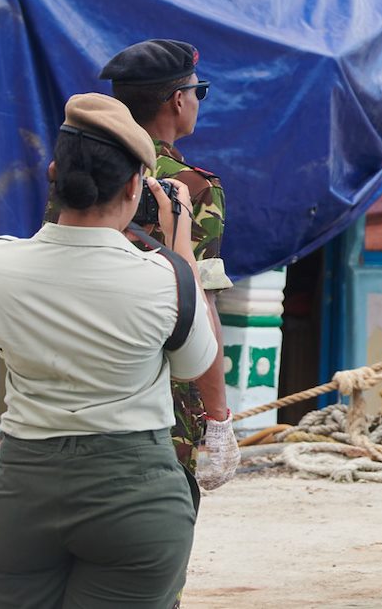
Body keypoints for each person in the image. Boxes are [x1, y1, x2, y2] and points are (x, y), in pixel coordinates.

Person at [0, 95, 225, 607]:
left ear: (54, 173)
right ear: (136, 185)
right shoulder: (164, 282)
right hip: (134, 498)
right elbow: (196, 362)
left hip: (21, 497)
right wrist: (179, 249)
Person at [99, 39, 233, 501]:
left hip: (85, 374)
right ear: (179, 100)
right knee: (158, 529)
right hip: (163, 396)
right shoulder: (194, 187)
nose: (197, 102)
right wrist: (218, 415)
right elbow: (200, 302)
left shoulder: (83, 168)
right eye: (199, 92)